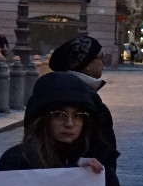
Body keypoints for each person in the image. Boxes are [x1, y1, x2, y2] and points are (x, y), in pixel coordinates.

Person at [49, 34, 119, 167]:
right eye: (100, 57)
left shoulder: (56, 89)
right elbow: (103, 151)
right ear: (86, 64)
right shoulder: (85, 98)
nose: (103, 61)